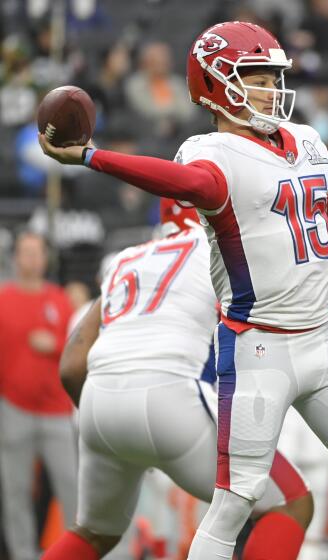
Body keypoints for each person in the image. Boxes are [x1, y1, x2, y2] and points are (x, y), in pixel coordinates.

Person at [38, 21, 328, 560]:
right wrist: (91, 156)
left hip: (326, 338)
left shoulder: (309, 142)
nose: (272, 87)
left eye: (274, 75)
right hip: (260, 347)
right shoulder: (211, 151)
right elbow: (189, 184)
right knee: (235, 500)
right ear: (215, 85)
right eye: (256, 76)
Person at [43, 199, 313, 560]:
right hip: (174, 400)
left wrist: (115, 422)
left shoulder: (127, 259)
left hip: (99, 403)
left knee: (92, 533)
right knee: (292, 503)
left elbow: (72, 366)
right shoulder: (224, 249)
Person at [0, 231, 77, 560]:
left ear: (45, 258)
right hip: (13, 409)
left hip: (56, 411)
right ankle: (21, 554)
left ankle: (79, 553)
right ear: (16, 258)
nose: (30, 259)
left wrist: (55, 346)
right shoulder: (3, 299)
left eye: (35, 252)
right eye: (24, 252)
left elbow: (77, 350)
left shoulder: (60, 300)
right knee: (15, 492)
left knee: (71, 488)